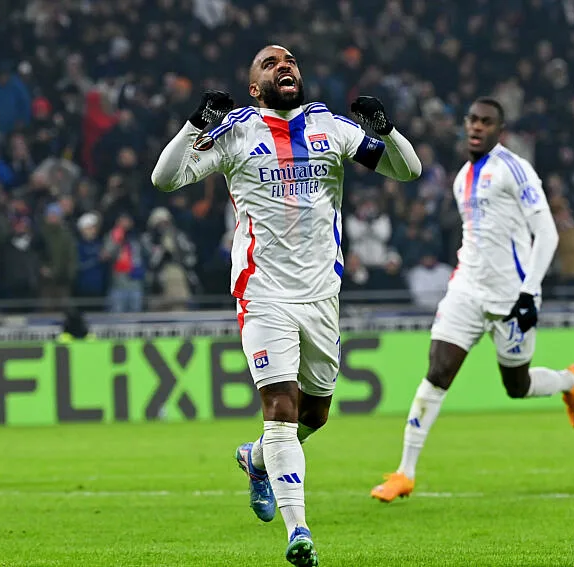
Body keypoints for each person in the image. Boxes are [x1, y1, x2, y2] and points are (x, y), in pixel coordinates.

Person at [152, 45, 421, 566]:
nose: (284, 65)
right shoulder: (237, 131)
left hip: (321, 295)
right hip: (263, 293)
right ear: (255, 87)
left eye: (290, 60)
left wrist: (387, 130)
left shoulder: (331, 128)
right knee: (279, 409)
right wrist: (194, 124)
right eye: (270, 63)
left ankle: (256, 460)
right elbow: (165, 178)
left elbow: (407, 171)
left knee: (314, 414)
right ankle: (299, 532)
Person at [369, 98, 574, 503]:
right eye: (472, 120)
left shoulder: (514, 169)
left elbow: (548, 233)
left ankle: (570, 381)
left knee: (517, 386)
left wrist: (529, 292)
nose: (476, 127)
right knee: (438, 371)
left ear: (499, 131)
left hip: (512, 298)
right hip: (467, 290)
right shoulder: (461, 178)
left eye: (486, 122)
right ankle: (404, 473)